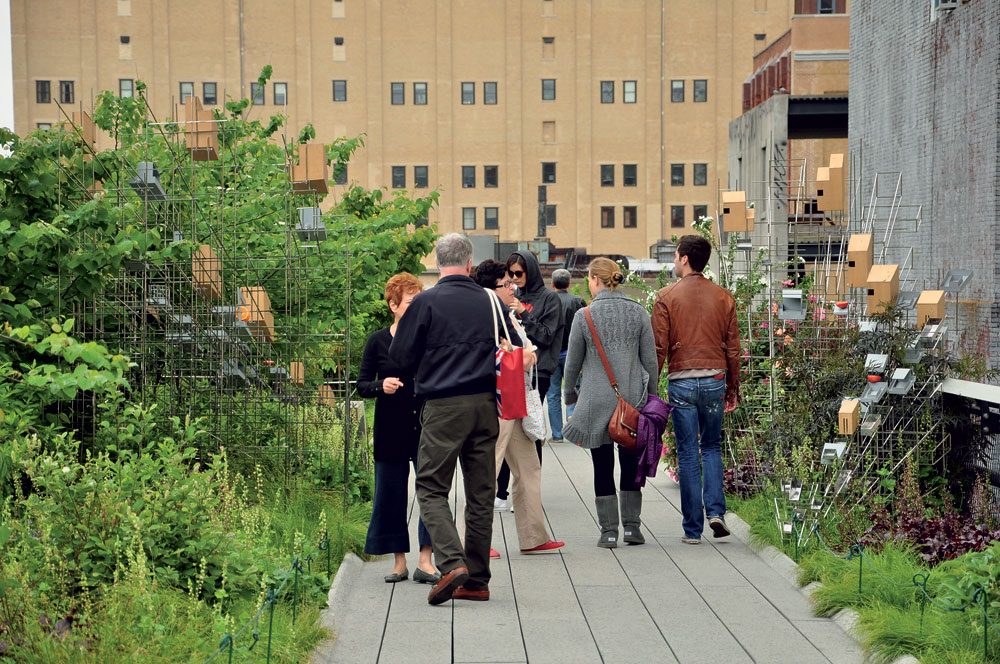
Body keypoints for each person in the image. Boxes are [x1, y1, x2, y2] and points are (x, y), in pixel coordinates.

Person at [389, 233, 506, 604]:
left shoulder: (425, 303)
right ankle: (477, 580)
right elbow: (513, 347)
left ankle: (452, 562)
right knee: (481, 493)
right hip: (486, 405)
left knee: (431, 486)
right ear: (469, 263)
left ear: (438, 262)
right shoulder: (490, 300)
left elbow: (400, 357)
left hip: (442, 407)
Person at [562, 258, 659, 548]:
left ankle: (608, 531)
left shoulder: (585, 315)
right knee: (630, 465)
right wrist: (651, 399)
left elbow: (572, 363)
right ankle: (632, 527)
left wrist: (569, 395)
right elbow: (650, 362)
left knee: (601, 466)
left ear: (594, 280)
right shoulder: (639, 312)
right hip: (631, 401)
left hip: (595, 402)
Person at [651, 235, 741, 545]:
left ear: (685, 258)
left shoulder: (666, 296)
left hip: (682, 382)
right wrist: (733, 388)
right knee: (712, 446)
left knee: (688, 452)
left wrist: (651, 390)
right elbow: (733, 350)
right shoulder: (724, 297)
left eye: (676, 256)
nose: (674, 262)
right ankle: (716, 512)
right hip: (715, 378)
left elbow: (658, 348)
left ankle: (692, 529)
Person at [473, 260, 565, 557]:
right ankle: (476, 541)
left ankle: (533, 536)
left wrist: (524, 353)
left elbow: (525, 348)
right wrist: (524, 355)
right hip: (497, 401)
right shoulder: (485, 314)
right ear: (492, 288)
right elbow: (514, 354)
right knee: (488, 469)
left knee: (528, 467)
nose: (512, 286)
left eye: (513, 280)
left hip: (515, 400)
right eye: (506, 283)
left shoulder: (506, 313)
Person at [357, 273, 440, 584]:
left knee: (431, 491)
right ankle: (398, 562)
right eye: (409, 302)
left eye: (418, 301)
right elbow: (361, 385)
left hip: (425, 425)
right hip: (390, 427)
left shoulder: (428, 339)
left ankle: (426, 559)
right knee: (390, 495)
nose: (416, 306)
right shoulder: (377, 341)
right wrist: (382, 385)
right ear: (393, 305)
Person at [494, 250, 563, 510]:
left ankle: (527, 492)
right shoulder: (511, 295)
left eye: (518, 274)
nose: (514, 279)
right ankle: (502, 493)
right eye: (510, 274)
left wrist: (523, 313)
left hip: (539, 373)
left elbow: (546, 336)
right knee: (507, 429)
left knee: (530, 429)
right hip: (511, 372)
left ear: (530, 271)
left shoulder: (549, 299)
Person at [546, 268, 586, 444]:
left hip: (552, 354)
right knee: (573, 389)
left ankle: (556, 434)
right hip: (573, 353)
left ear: (553, 284)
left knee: (553, 394)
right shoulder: (577, 301)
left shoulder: (547, 301)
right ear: (569, 284)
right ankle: (573, 426)